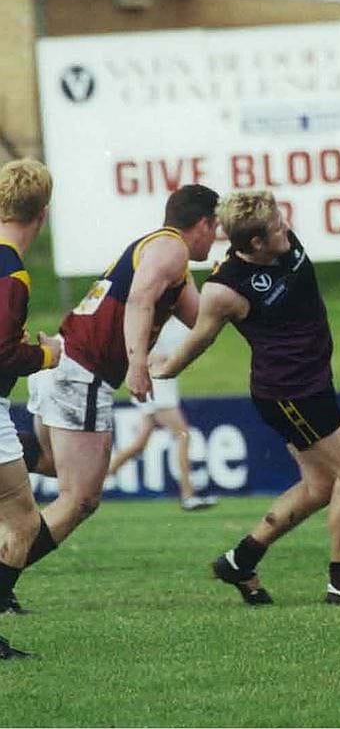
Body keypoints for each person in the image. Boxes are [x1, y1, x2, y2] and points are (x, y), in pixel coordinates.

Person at [154, 190, 340, 606]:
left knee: (321, 485)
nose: (285, 229)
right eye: (275, 228)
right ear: (254, 243)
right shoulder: (224, 288)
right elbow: (200, 339)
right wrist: (163, 371)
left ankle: (241, 560)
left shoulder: (283, 241)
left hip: (311, 383)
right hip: (292, 393)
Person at [14, 184, 218, 614]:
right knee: (80, 499)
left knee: (53, 467)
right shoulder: (171, 249)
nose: (215, 236)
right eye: (215, 227)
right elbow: (140, 301)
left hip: (65, 363)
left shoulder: (166, 257)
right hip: (81, 373)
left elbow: (205, 321)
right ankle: (1, 580)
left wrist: (230, 283)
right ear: (202, 223)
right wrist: (138, 363)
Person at [0, 159, 63, 655]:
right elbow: (2, 351)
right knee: (22, 523)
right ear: (41, 214)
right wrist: (46, 354)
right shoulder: (12, 272)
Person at [106, 317, 217, 511]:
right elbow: (138, 349)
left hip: (160, 387)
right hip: (157, 389)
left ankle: (96, 482)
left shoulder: (176, 320)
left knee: (139, 444)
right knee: (183, 435)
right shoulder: (155, 318)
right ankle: (187, 494)